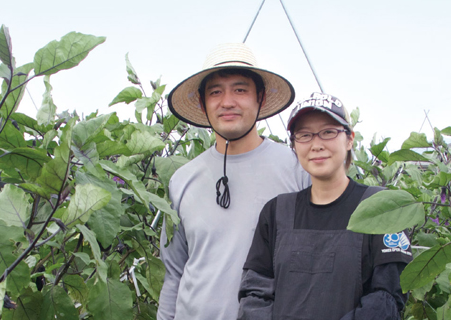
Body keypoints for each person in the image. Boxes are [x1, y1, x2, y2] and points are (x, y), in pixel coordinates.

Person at [158, 43, 312, 320]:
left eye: (240, 90)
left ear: (260, 98)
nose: (227, 101)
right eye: (215, 91)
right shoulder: (182, 180)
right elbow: (174, 274)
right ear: (203, 103)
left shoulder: (297, 171)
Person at [238, 93, 413, 320]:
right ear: (294, 145)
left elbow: (387, 297)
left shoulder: (383, 208)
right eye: (305, 135)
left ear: (349, 139)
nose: (316, 145)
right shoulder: (277, 212)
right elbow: (255, 291)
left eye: (328, 132)